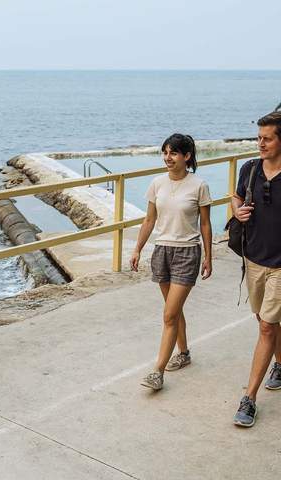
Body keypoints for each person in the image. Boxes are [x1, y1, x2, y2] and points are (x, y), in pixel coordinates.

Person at [130, 133, 212, 391]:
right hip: (162, 251)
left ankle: (158, 371)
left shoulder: (199, 185)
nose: (168, 157)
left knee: (169, 315)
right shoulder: (156, 183)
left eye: (173, 153)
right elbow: (149, 220)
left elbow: (206, 224)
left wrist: (209, 256)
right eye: (165, 152)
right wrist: (137, 249)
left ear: (187, 156)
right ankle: (184, 353)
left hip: (187, 252)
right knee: (173, 311)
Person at [232, 111, 281, 427]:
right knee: (266, 321)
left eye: (267, 138)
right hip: (253, 260)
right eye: (258, 138)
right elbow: (235, 198)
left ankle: (249, 399)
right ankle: (280, 363)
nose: (260, 144)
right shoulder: (249, 169)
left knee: (266, 326)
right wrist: (239, 212)